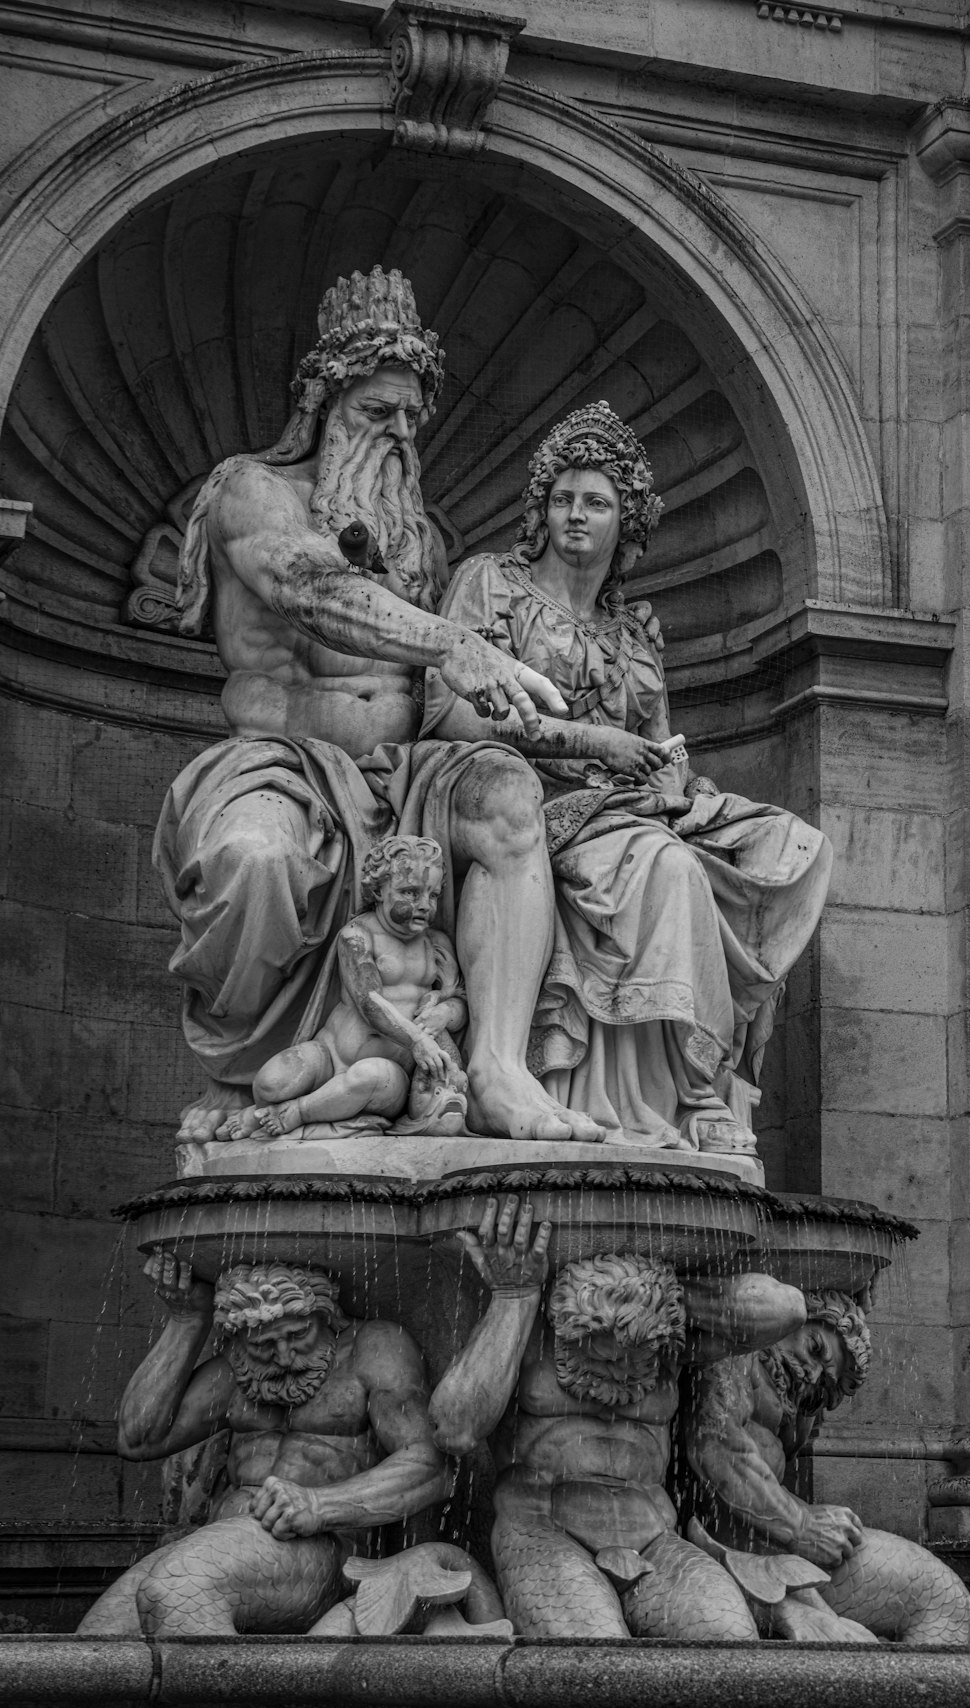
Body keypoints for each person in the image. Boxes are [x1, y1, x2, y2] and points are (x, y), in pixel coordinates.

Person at [154, 265, 605, 1149]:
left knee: (511, 797)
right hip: (282, 764)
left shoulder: (420, 540)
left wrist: (582, 741)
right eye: (375, 412)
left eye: (410, 417)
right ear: (322, 404)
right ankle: (256, 1085)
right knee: (254, 860)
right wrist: (452, 642)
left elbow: (444, 702)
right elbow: (308, 591)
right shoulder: (253, 492)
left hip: (404, 780)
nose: (398, 434)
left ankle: (499, 1070)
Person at [424, 400, 833, 1149]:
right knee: (671, 871)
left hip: (625, 810)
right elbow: (451, 714)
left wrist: (674, 785)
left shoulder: (634, 638)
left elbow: (661, 744)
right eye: (561, 499)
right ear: (540, 510)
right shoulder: (491, 585)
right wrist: (591, 744)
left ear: (627, 522)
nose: (574, 516)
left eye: (595, 502)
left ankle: (681, 1093)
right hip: (515, 803)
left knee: (781, 844)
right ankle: (687, 1093)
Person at [428, 1194, 807, 1640]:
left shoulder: (667, 1342)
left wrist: (663, 1296)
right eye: (602, 1355)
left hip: (654, 1539)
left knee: (730, 1638)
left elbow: (788, 1310)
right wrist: (516, 1296)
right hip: (542, 1531)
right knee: (591, 1652)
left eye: (633, 1356)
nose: (620, 1370)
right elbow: (452, 1429)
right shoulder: (532, 1338)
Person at [78, 1252, 449, 1637]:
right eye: (264, 1344)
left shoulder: (373, 1347)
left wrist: (319, 1505)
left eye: (299, 1334)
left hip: (321, 1548)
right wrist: (187, 1321)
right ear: (238, 1337)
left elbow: (430, 1466)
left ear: (326, 1315)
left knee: (178, 1588)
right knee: (96, 1641)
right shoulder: (237, 1369)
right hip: (223, 1545)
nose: (286, 1356)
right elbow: (138, 1438)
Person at [684, 1289, 970, 1643]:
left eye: (824, 1377)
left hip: (778, 1550)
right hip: (736, 1553)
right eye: (816, 1348)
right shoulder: (736, 1356)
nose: (811, 1372)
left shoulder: (792, 1406)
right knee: (938, 1599)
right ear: (793, 1319)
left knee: (946, 1599)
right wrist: (801, 1524)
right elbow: (715, 1441)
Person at [219, 835, 467, 1141]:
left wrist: (445, 1012)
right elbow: (369, 1001)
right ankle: (273, 1111)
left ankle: (297, 1112)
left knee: (369, 1076)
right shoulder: (358, 935)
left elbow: (459, 999)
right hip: (330, 1055)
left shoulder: (436, 944)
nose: (424, 905)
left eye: (433, 895)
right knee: (270, 1083)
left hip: (389, 1072)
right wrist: (416, 1038)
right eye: (410, 892)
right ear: (378, 890)